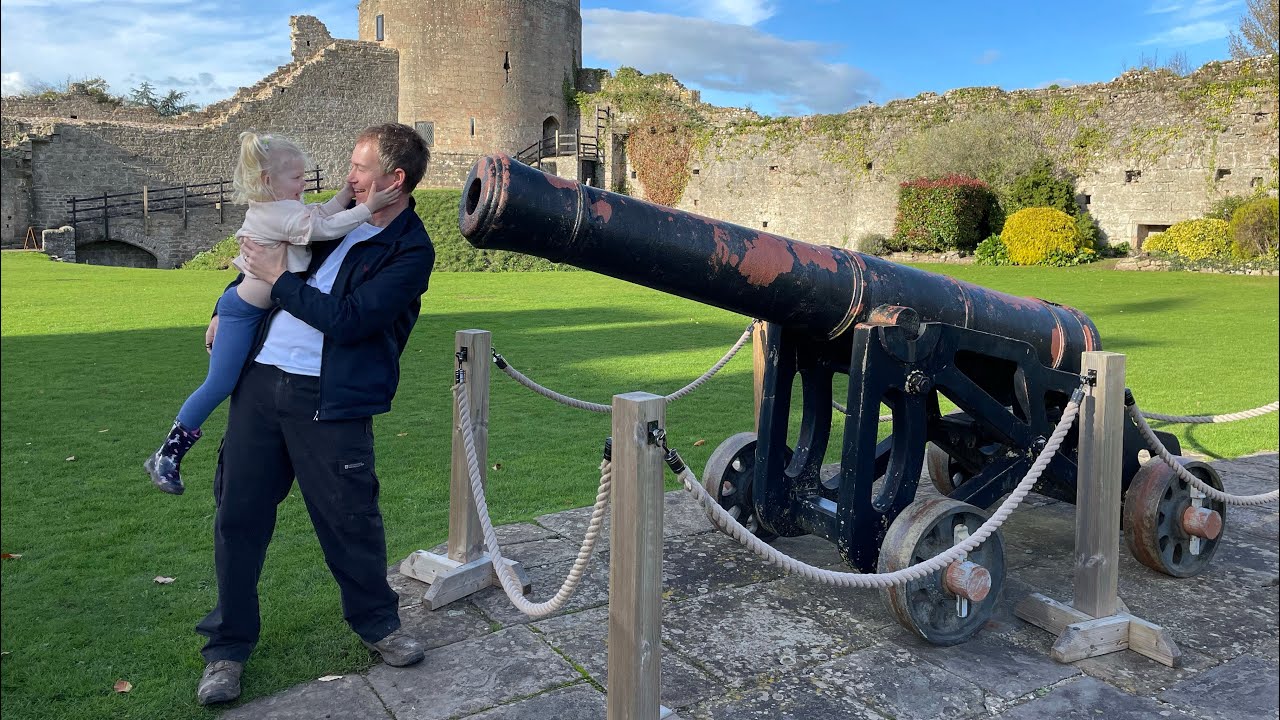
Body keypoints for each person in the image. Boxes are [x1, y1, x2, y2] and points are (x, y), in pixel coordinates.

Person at [193, 123, 435, 705]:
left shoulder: (410, 249)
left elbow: (350, 321)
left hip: (331, 401)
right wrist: (224, 310)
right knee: (238, 517)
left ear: (393, 180)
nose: (348, 176)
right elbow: (262, 254)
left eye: (360, 167)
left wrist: (278, 282)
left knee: (350, 521)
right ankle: (226, 649)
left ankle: (380, 626)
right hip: (259, 387)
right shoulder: (328, 219)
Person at [144, 131, 400, 495]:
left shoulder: (285, 208)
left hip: (255, 312)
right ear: (269, 181)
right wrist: (366, 208)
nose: (303, 185)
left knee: (232, 383)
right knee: (219, 384)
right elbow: (323, 227)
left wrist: (345, 196)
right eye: (296, 178)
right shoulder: (275, 213)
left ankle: (169, 454)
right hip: (242, 314)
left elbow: (317, 215)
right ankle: (167, 455)